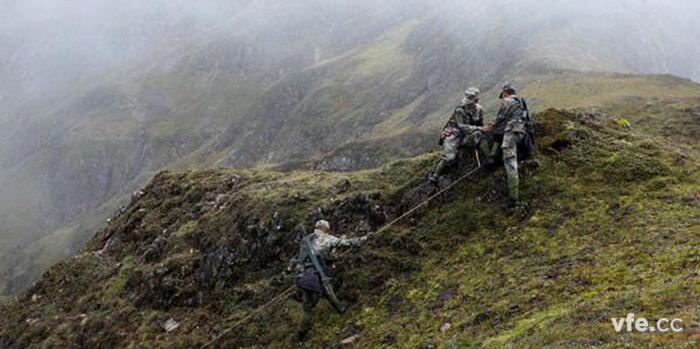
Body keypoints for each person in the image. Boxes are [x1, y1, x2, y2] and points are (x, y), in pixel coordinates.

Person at [288, 220, 366, 341]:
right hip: (315, 275)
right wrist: (364, 239)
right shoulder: (328, 239)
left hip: (302, 276)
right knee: (314, 300)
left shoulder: (306, 240)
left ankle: (300, 334)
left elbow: (304, 258)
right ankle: (302, 334)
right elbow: (347, 243)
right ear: (325, 228)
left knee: (315, 298)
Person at [481, 84, 532, 208]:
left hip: (511, 133)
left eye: (502, 95)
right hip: (522, 132)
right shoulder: (521, 102)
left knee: (510, 164)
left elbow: (500, 119)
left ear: (505, 93)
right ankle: (492, 156)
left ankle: (514, 200)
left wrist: (488, 127)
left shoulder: (507, 101)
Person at [429, 88, 493, 183]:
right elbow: (462, 126)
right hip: (454, 135)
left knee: (479, 135)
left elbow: (480, 124)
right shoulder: (460, 110)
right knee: (449, 158)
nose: (468, 104)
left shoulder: (479, 110)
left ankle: (489, 158)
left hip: (468, 136)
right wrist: (480, 128)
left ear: (476, 101)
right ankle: (435, 175)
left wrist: (484, 128)